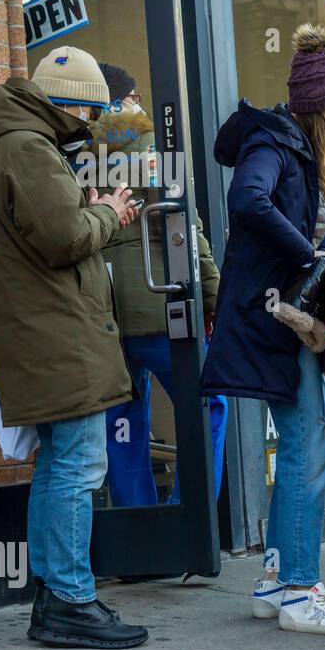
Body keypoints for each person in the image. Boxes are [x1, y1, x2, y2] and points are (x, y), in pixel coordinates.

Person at [0, 46, 146, 648]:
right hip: (57, 331)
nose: (91, 126)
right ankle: (70, 598)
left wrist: (84, 211)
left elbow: (46, 229)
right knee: (79, 465)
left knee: (58, 462)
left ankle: (54, 595)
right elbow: (63, 238)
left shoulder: (6, 145)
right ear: (68, 104)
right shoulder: (28, 147)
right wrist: (110, 213)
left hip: (40, 331)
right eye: (90, 114)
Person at [201, 23, 325, 635]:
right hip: (277, 318)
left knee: (300, 443)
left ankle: (274, 578)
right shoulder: (271, 142)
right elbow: (248, 200)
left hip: (288, 318)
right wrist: (308, 257)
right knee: (306, 448)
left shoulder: (306, 153)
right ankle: (299, 589)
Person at [89, 94, 228, 509]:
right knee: (208, 406)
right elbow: (194, 241)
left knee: (125, 424)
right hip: (166, 314)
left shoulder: (86, 170)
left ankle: (141, 525)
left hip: (111, 322)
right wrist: (214, 300)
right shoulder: (161, 168)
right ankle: (188, 515)